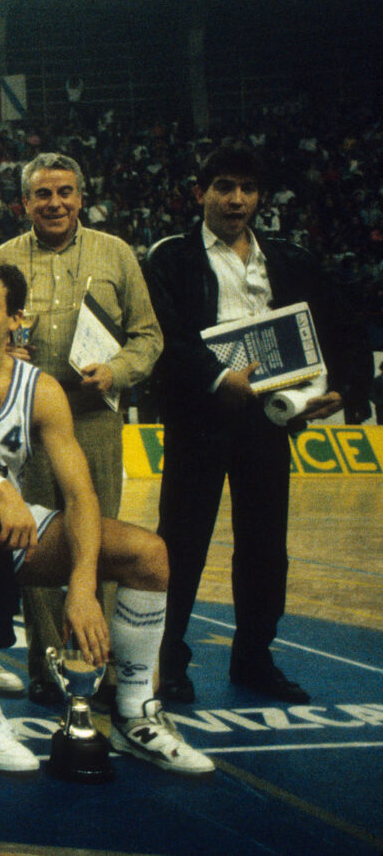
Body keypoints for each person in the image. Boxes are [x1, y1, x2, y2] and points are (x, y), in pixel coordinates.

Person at [0, 260, 212, 776]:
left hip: (7, 533)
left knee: (147, 555)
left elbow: (80, 495)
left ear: (16, 319)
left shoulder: (39, 389)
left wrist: (82, 586)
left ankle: (135, 713)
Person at [145, 144, 371, 705]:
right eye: (224, 187)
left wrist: (344, 388)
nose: (236, 199)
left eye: (247, 189)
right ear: (201, 193)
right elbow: (166, 337)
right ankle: (165, 659)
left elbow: (341, 323)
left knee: (266, 546)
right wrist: (219, 378)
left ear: (260, 197)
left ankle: (254, 657)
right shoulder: (171, 257)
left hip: (269, 418)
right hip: (200, 417)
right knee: (182, 542)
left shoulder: (289, 257)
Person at [0, 152, 163, 706]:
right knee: (35, 541)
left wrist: (118, 371)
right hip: (28, 421)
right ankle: (48, 666)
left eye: (65, 192)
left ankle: (97, 664)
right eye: (42, 194)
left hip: (94, 416)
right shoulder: (1, 260)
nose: (55, 203)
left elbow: (148, 337)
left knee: (99, 540)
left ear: (81, 198)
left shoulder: (116, 253)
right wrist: (1, 354)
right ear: (25, 203)